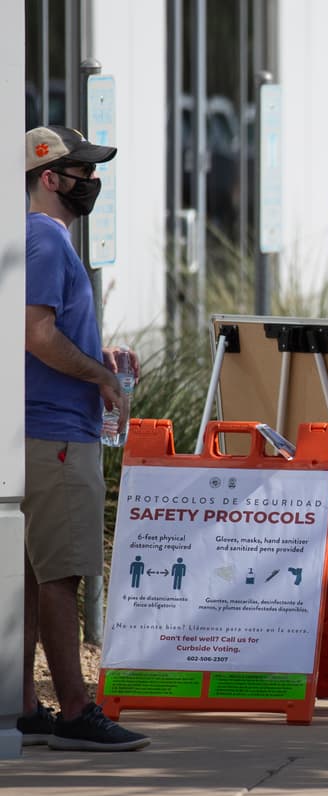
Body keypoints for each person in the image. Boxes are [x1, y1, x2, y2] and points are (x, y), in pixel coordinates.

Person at [19, 125, 150, 751]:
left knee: (25, 576)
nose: (93, 181)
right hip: (57, 435)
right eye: (82, 171)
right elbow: (36, 334)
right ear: (50, 177)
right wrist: (100, 376)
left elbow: (44, 332)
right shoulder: (44, 238)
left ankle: (23, 708)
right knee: (62, 574)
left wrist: (97, 354)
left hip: (37, 430)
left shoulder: (34, 239)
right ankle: (74, 710)